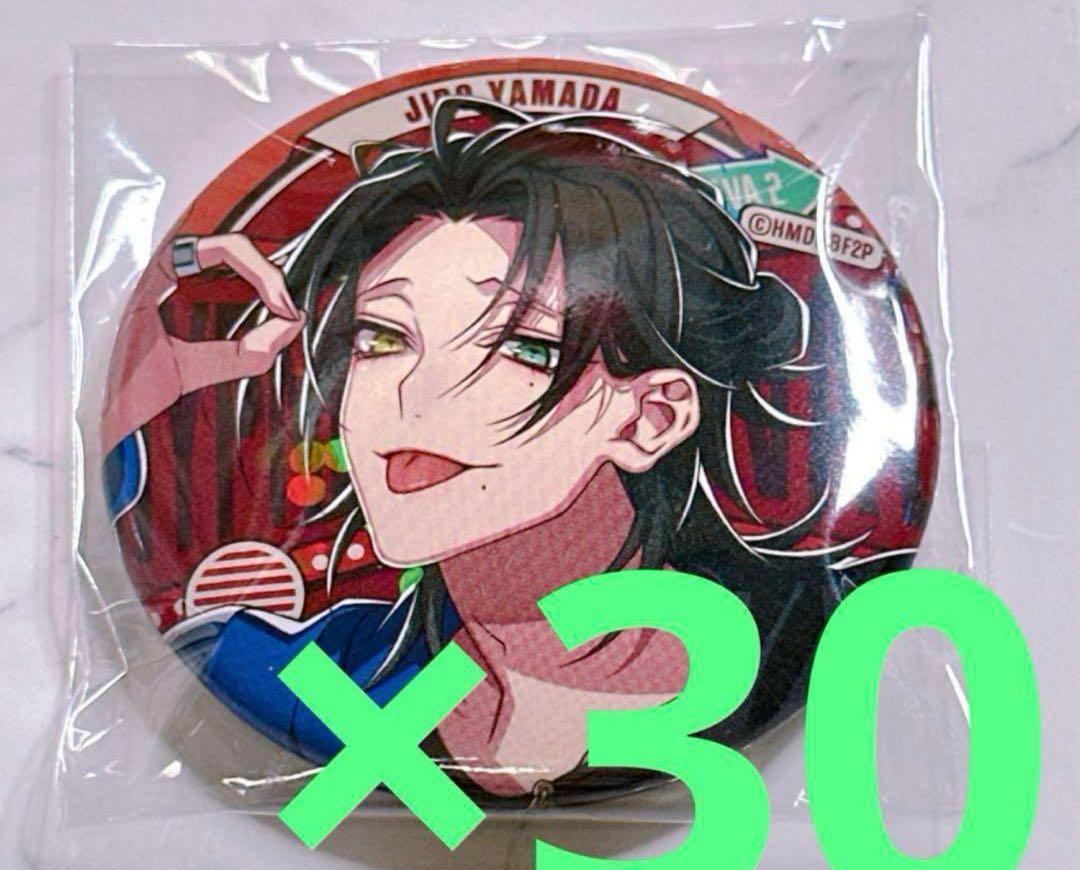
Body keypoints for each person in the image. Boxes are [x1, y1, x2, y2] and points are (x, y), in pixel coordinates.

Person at [103, 98, 839, 803]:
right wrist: (144, 373)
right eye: (382, 337)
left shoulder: (807, 627)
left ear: (650, 417)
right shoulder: (320, 679)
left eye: (520, 345)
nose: (414, 397)